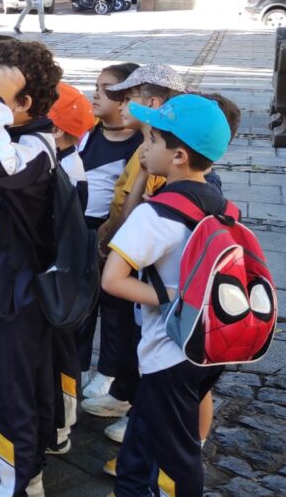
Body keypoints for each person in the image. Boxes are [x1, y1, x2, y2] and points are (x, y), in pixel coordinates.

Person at [102, 95, 233, 497]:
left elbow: (112, 280)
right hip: (208, 345)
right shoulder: (221, 204)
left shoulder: (156, 213)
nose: (144, 146)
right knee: (143, 439)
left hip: (168, 352)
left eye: (153, 139)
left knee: (176, 459)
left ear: (177, 156)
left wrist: (173, 295)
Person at [0, 37, 63, 497]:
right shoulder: (22, 138)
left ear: (21, 103)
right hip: (6, 286)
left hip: (12, 294)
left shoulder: (30, 148)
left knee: (9, 398)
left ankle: (12, 484)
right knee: (23, 388)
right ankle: (22, 472)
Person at [84, 64, 186, 446]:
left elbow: (139, 216)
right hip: (123, 252)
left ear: (153, 104)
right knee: (126, 329)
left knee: (149, 338)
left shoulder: (162, 157)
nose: (118, 103)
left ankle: (145, 413)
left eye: (127, 98)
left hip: (146, 271)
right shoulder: (145, 150)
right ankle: (126, 393)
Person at [76, 62, 142, 395]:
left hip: (118, 234)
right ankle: (79, 365)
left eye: (106, 89)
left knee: (115, 307)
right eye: (96, 86)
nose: (95, 94)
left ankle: (109, 372)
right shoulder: (89, 135)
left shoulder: (142, 143)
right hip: (82, 228)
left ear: (128, 99)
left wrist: (111, 231)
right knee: (82, 304)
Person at [45, 82, 95, 456]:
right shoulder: (64, 161)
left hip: (56, 279)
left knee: (58, 355)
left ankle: (59, 426)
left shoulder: (66, 168)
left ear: (57, 130)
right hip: (55, 276)